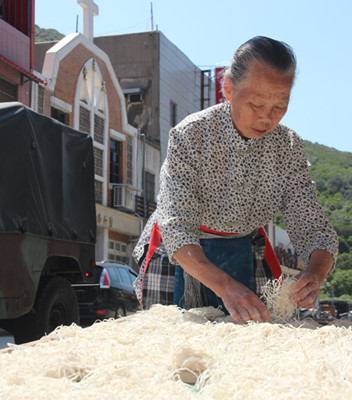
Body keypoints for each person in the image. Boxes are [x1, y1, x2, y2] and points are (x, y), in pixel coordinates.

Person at [133, 36, 338, 323]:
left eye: (280, 105)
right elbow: (177, 228)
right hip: (181, 252)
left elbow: (314, 229)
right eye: (256, 103)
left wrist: (314, 274)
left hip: (245, 247)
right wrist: (225, 286)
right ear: (229, 89)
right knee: (172, 346)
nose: (267, 118)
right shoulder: (190, 136)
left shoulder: (288, 147)